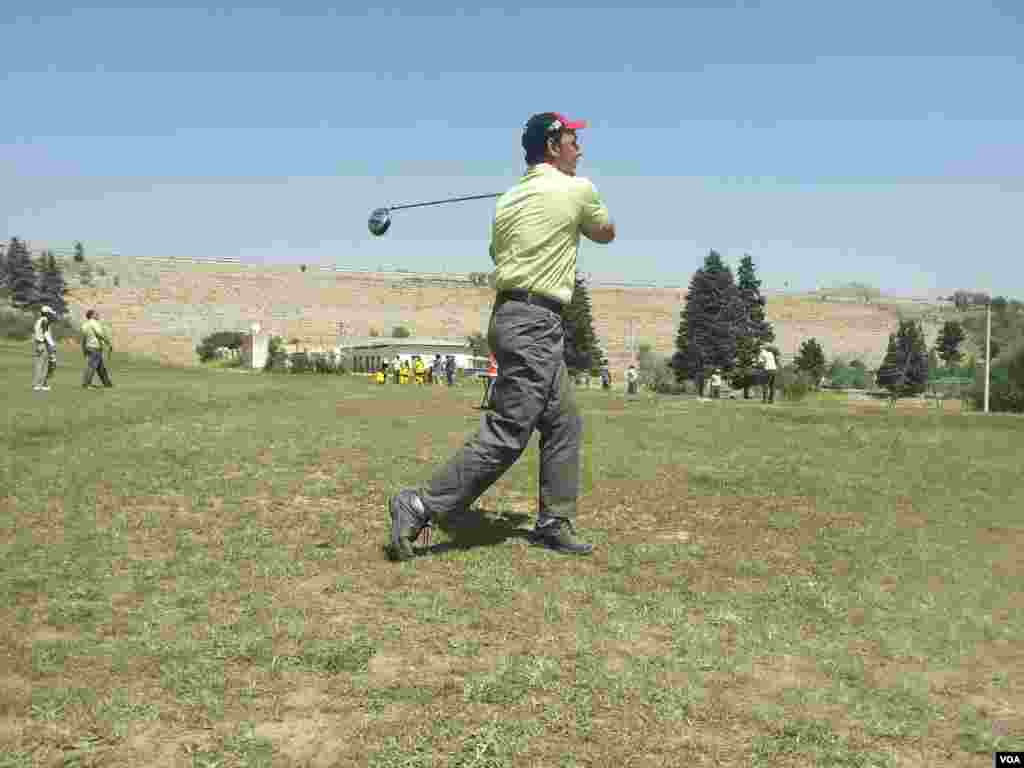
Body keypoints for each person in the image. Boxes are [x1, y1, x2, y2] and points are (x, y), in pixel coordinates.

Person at [387, 111, 615, 560]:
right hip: (535, 322)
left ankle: (554, 520)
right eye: (573, 140)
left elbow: (497, 251)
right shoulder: (578, 189)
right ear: (552, 147)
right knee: (510, 430)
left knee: (564, 419)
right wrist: (579, 207)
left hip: (510, 315)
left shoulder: (508, 200)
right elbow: (606, 233)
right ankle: (419, 505)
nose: (580, 149)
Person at [80, 309, 113, 389]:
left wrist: (84, 349)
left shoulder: (84, 325)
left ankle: (107, 384)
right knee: (92, 366)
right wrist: (108, 342)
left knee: (100, 367)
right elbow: (99, 333)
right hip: (95, 347)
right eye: (96, 314)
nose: (98, 315)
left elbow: (83, 338)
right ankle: (87, 384)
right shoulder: (94, 323)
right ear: (91, 315)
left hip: (88, 347)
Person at [32, 306, 58, 391]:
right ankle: (39, 384)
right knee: (42, 365)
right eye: (50, 313)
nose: (51, 315)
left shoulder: (39, 320)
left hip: (39, 344)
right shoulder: (45, 320)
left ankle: (41, 384)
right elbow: (45, 333)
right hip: (43, 344)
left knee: (41, 364)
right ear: (47, 313)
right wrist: (52, 344)